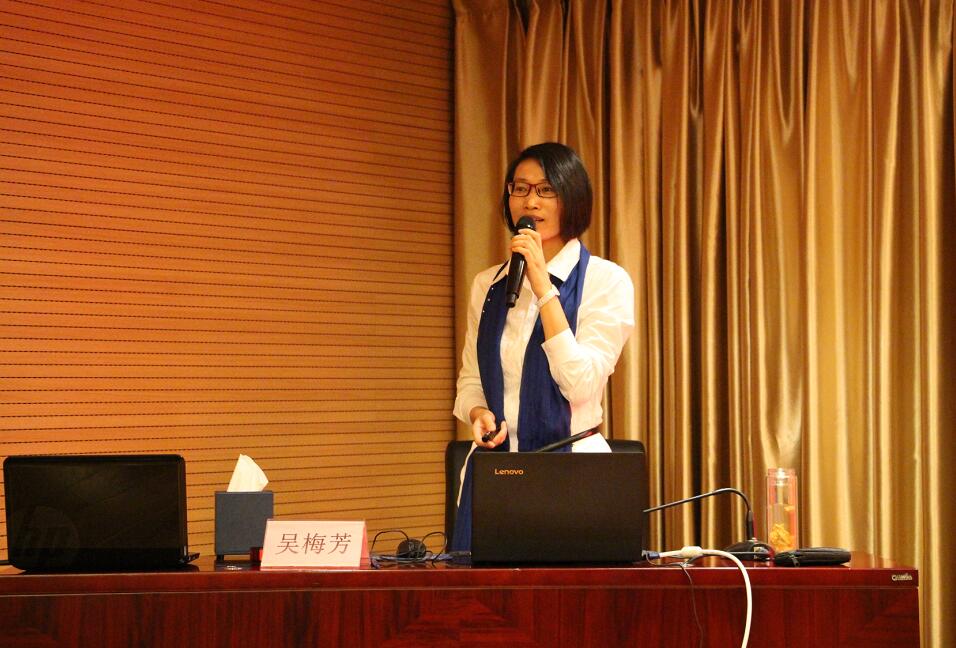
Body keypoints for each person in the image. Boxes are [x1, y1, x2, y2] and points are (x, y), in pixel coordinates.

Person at [450, 142, 635, 550]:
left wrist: (543, 287)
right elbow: (470, 380)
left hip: (573, 476)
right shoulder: (488, 284)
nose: (530, 201)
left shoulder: (606, 281)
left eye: (546, 189)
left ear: (573, 196)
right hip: (495, 480)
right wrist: (478, 412)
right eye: (520, 188)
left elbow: (580, 384)